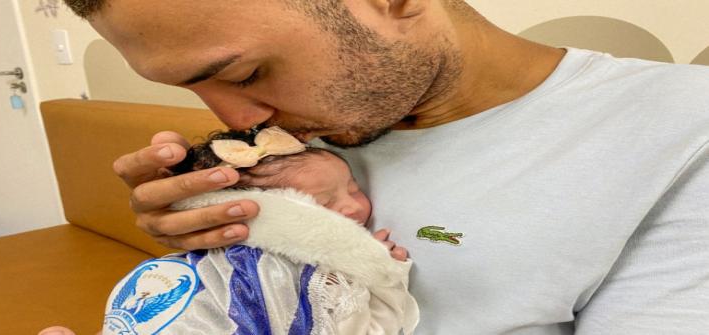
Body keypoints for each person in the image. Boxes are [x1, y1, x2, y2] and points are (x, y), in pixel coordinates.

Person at [64, 0, 709, 333]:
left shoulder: (679, 137)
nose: (240, 123)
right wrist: (205, 238)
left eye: (243, 73)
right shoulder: (292, 141)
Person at [39, 128, 419, 334]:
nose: (353, 206)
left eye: (352, 187)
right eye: (324, 203)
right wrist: (379, 273)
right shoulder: (288, 275)